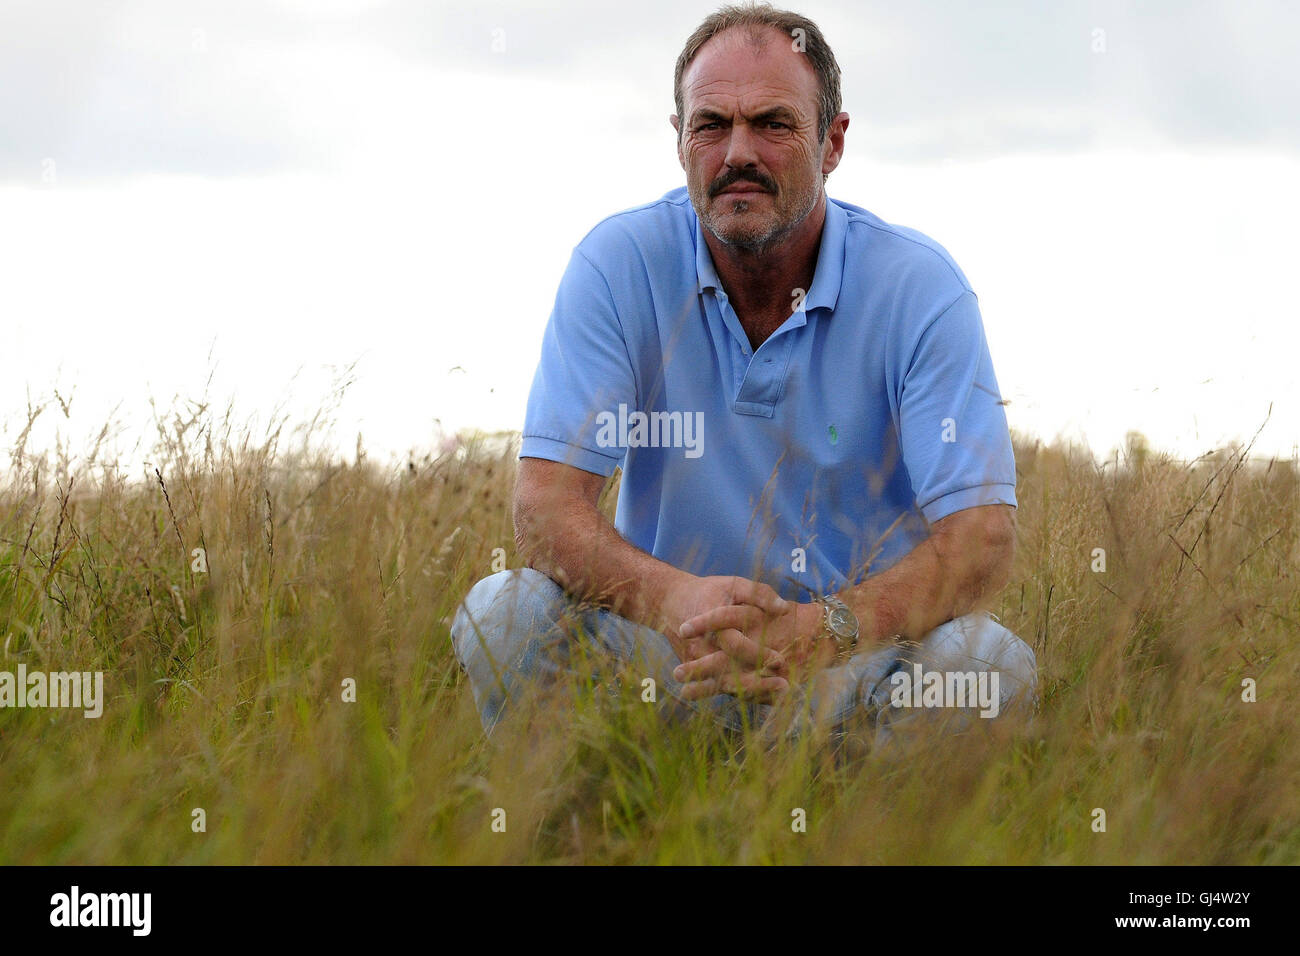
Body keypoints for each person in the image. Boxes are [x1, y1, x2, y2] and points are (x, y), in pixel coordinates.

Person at [451, 2, 1037, 745]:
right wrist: (675, 599)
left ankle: (862, 841)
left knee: (988, 665)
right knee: (504, 610)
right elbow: (544, 507)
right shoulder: (616, 264)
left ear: (833, 142)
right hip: (666, 660)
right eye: (711, 125)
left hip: (851, 671)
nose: (738, 153)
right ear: (678, 140)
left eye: (773, 123)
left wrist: (822, 629)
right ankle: (592, 837)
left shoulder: (919, 287)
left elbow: (982, 539)